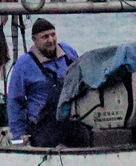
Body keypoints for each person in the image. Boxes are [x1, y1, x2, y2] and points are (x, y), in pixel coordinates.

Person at [5, 18, 82, 147]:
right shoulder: (24, 64)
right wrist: (19, 136)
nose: (51, 40)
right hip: (42, 128)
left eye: (53, 35)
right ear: (35, 40)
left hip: (72, 120)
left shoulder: (68, 52)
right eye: (45, 37)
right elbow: (15, 101)